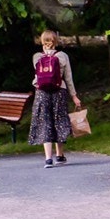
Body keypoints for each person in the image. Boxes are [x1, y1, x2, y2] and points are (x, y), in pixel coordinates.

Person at [30, 30, 80, 167]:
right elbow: (68, 77)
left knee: (45, 121)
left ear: (42, 41)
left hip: (42, 93)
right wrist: (74, 96)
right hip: (59, 91)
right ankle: (59, 155)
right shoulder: (63, 56)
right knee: (59, 121)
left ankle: (48, 159)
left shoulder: (37, 57)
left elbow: (38, 76)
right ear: (55, 41)